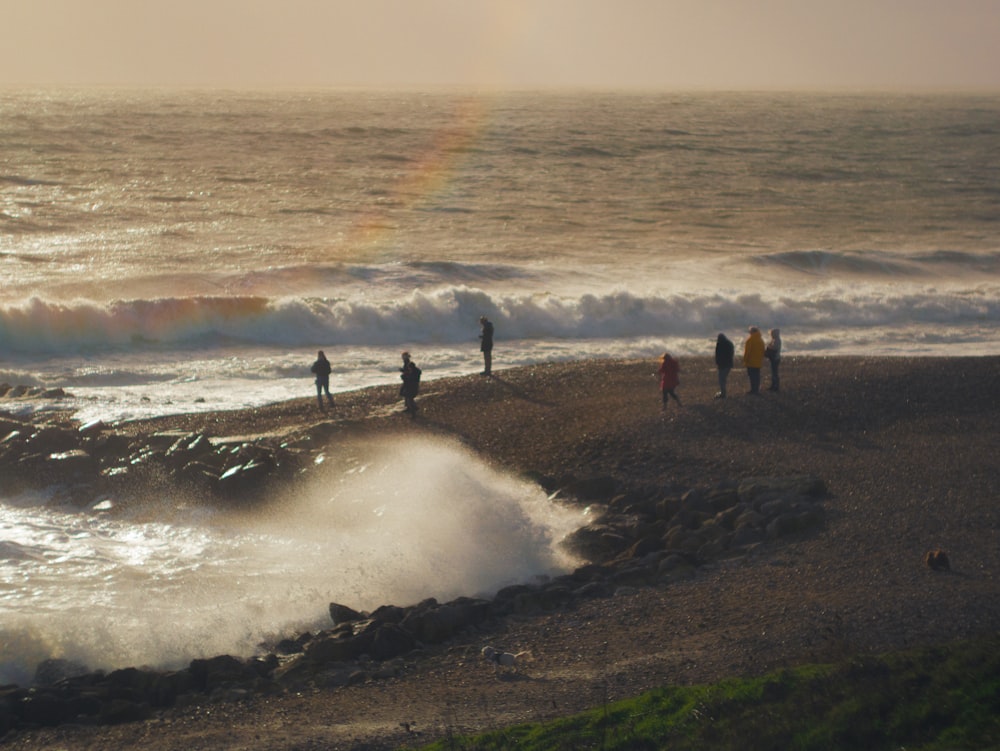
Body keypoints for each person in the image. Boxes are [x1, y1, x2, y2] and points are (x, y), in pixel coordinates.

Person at [743, 326, 766, 395]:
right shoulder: (761, 340)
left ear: (752, 332)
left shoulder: (750, 340)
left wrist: (745, 360)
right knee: (757, 376)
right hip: (758, 361)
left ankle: (753, 389)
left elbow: (747, 352)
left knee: (752, 376)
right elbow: (763, 351)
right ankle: (756, 389)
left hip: (751, 362)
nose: (749, 333)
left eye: (750, 331)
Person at [399, 351, 421, 416]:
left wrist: (404, 374)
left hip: (409, 382)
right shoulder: (407, 363)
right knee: (406, 394)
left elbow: (409, 372)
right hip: (409, 382)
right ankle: (409, 407)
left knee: (407, 394)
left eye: (403, 356)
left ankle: (411, 408)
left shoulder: (407, 363)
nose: (402, 357)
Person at [714, 332, 735, 398]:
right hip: (728, 364)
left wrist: (718, 363)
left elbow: (718, 355)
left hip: (722, 365)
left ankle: (723, 393)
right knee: (723, 378)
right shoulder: (729, 343)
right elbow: (731, 354)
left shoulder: (720, 344)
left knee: (721, 379)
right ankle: (723, 392)